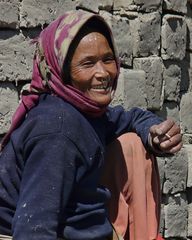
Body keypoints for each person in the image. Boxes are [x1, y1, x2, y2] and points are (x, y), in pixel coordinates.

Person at [0, 10, 182, 240]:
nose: (103, 73)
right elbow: (34, 229)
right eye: (87, 63)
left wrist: (155, 135)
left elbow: (131, 118)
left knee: (133, 144)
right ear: (61, 70)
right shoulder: (58, 131)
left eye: (107, 59)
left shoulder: (86, 112)